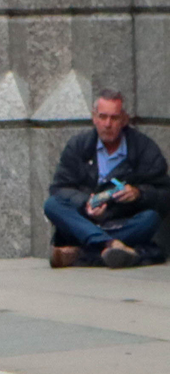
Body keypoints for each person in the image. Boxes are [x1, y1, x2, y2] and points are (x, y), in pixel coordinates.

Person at [42, 90, 168, 267]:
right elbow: (59, 188)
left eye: (114, 118)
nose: (107, 124)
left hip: (121, 222)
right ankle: (109, 245)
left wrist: (139, 194)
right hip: (83, 222)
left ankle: (81, 253)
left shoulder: (143, 147)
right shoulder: (78, 146)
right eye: (102, 117)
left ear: (124, 120)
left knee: (150, 219)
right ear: (94, 117)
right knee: (52, 205)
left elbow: (164, 194)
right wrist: (86, 202)